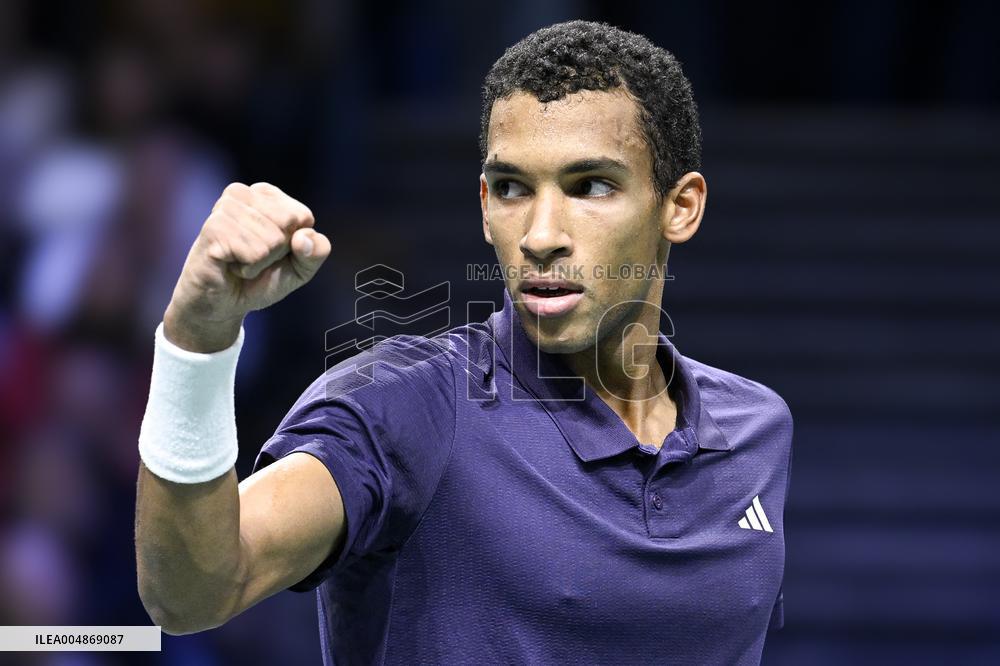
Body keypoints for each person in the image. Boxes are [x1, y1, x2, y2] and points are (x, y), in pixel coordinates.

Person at [135, 20, 793, 665]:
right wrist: (198, 337)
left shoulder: (756, 429)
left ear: (680, 206)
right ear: (484, 205)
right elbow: (193, 593)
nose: (540, 235)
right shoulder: (404, 404)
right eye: (511, 188)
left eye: (590, 185)